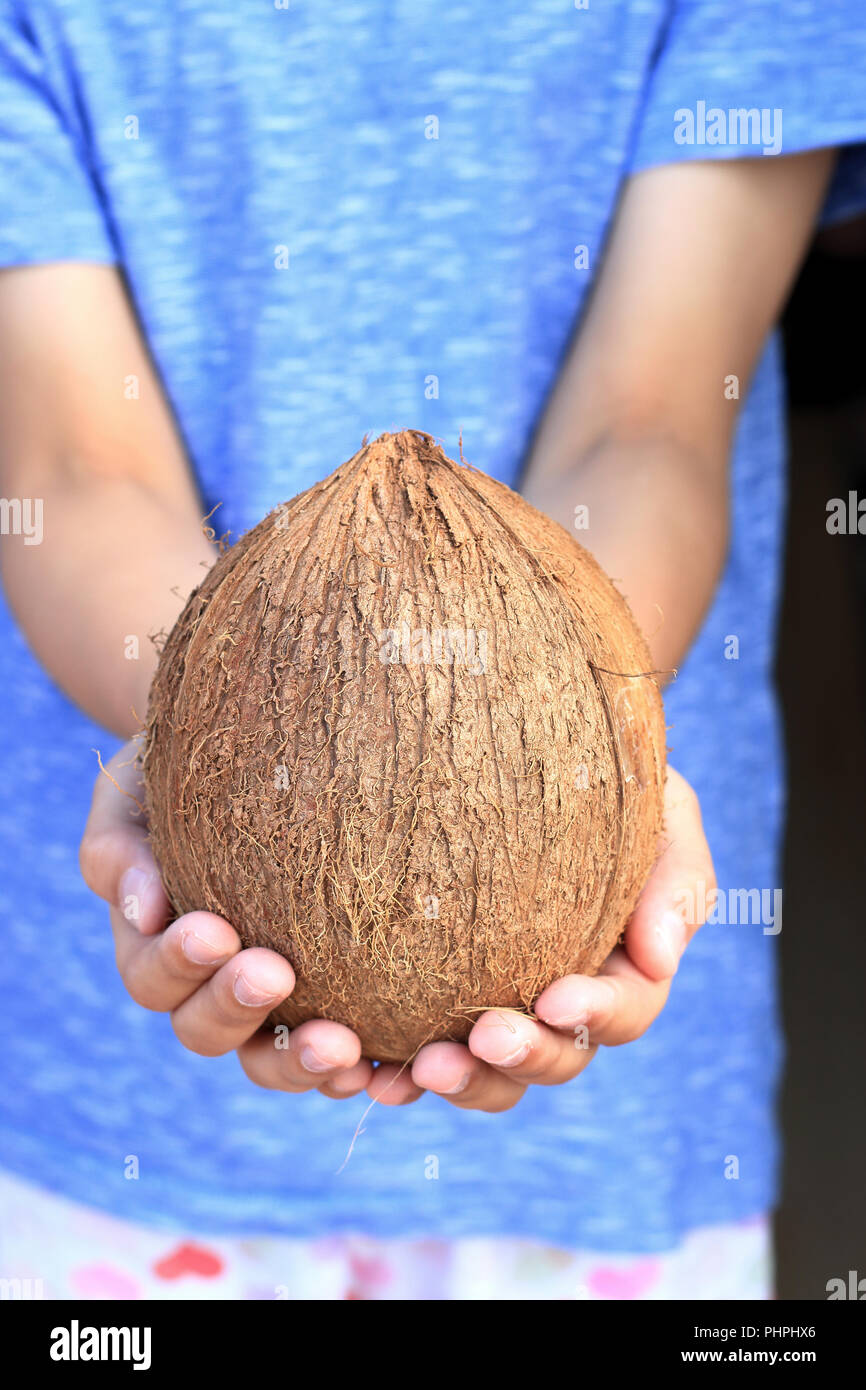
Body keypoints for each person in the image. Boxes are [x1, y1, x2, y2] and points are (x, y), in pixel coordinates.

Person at [0, 2, 863, 1301]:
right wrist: (210, 743)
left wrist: (583, 738)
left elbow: (654, 424)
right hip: (106, 1121)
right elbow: (70, 464)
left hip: (610, 1152)